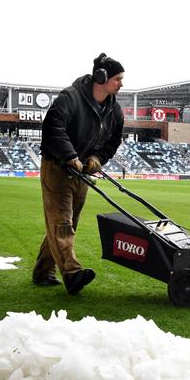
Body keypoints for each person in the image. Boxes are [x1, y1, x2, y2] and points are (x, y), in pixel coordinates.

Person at [32, 53, 125, 294]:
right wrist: (69, 155)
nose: (122, 84)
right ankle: (72, 274)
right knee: (62, 223)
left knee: (67, 222)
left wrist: (97, 158)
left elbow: (113, 141)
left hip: (81, 170)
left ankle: (43, 272)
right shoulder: (70, 98)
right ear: (101, 77)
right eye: (118, 79)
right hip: (57, 166)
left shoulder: (114, 110)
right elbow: (53, 128)